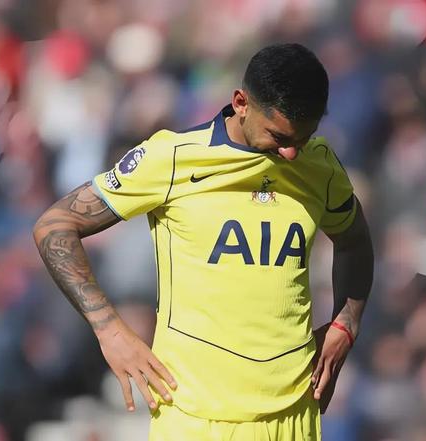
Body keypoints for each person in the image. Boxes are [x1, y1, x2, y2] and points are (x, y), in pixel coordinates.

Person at [33, 43, 374, 441]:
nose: (291, 152)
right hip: (195, 418)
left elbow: (354, 240)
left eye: (305, 137)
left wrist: (345, 324)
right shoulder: (172, 158)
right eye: (279, 136)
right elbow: (55, 225)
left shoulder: (320, 165)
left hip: (294, 416)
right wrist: (110, 330)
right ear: (241, 103)